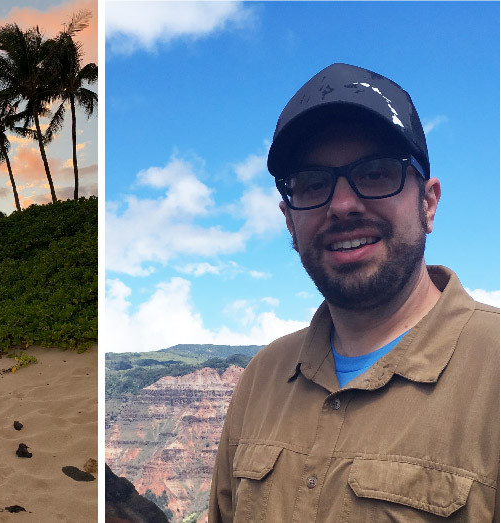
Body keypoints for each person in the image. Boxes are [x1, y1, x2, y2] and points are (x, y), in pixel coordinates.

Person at [209, 63, 499, 521]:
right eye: (314, 183)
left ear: (428, 202)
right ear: (289, 221)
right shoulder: (262, 377)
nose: (342, 205)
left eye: (376, 173)